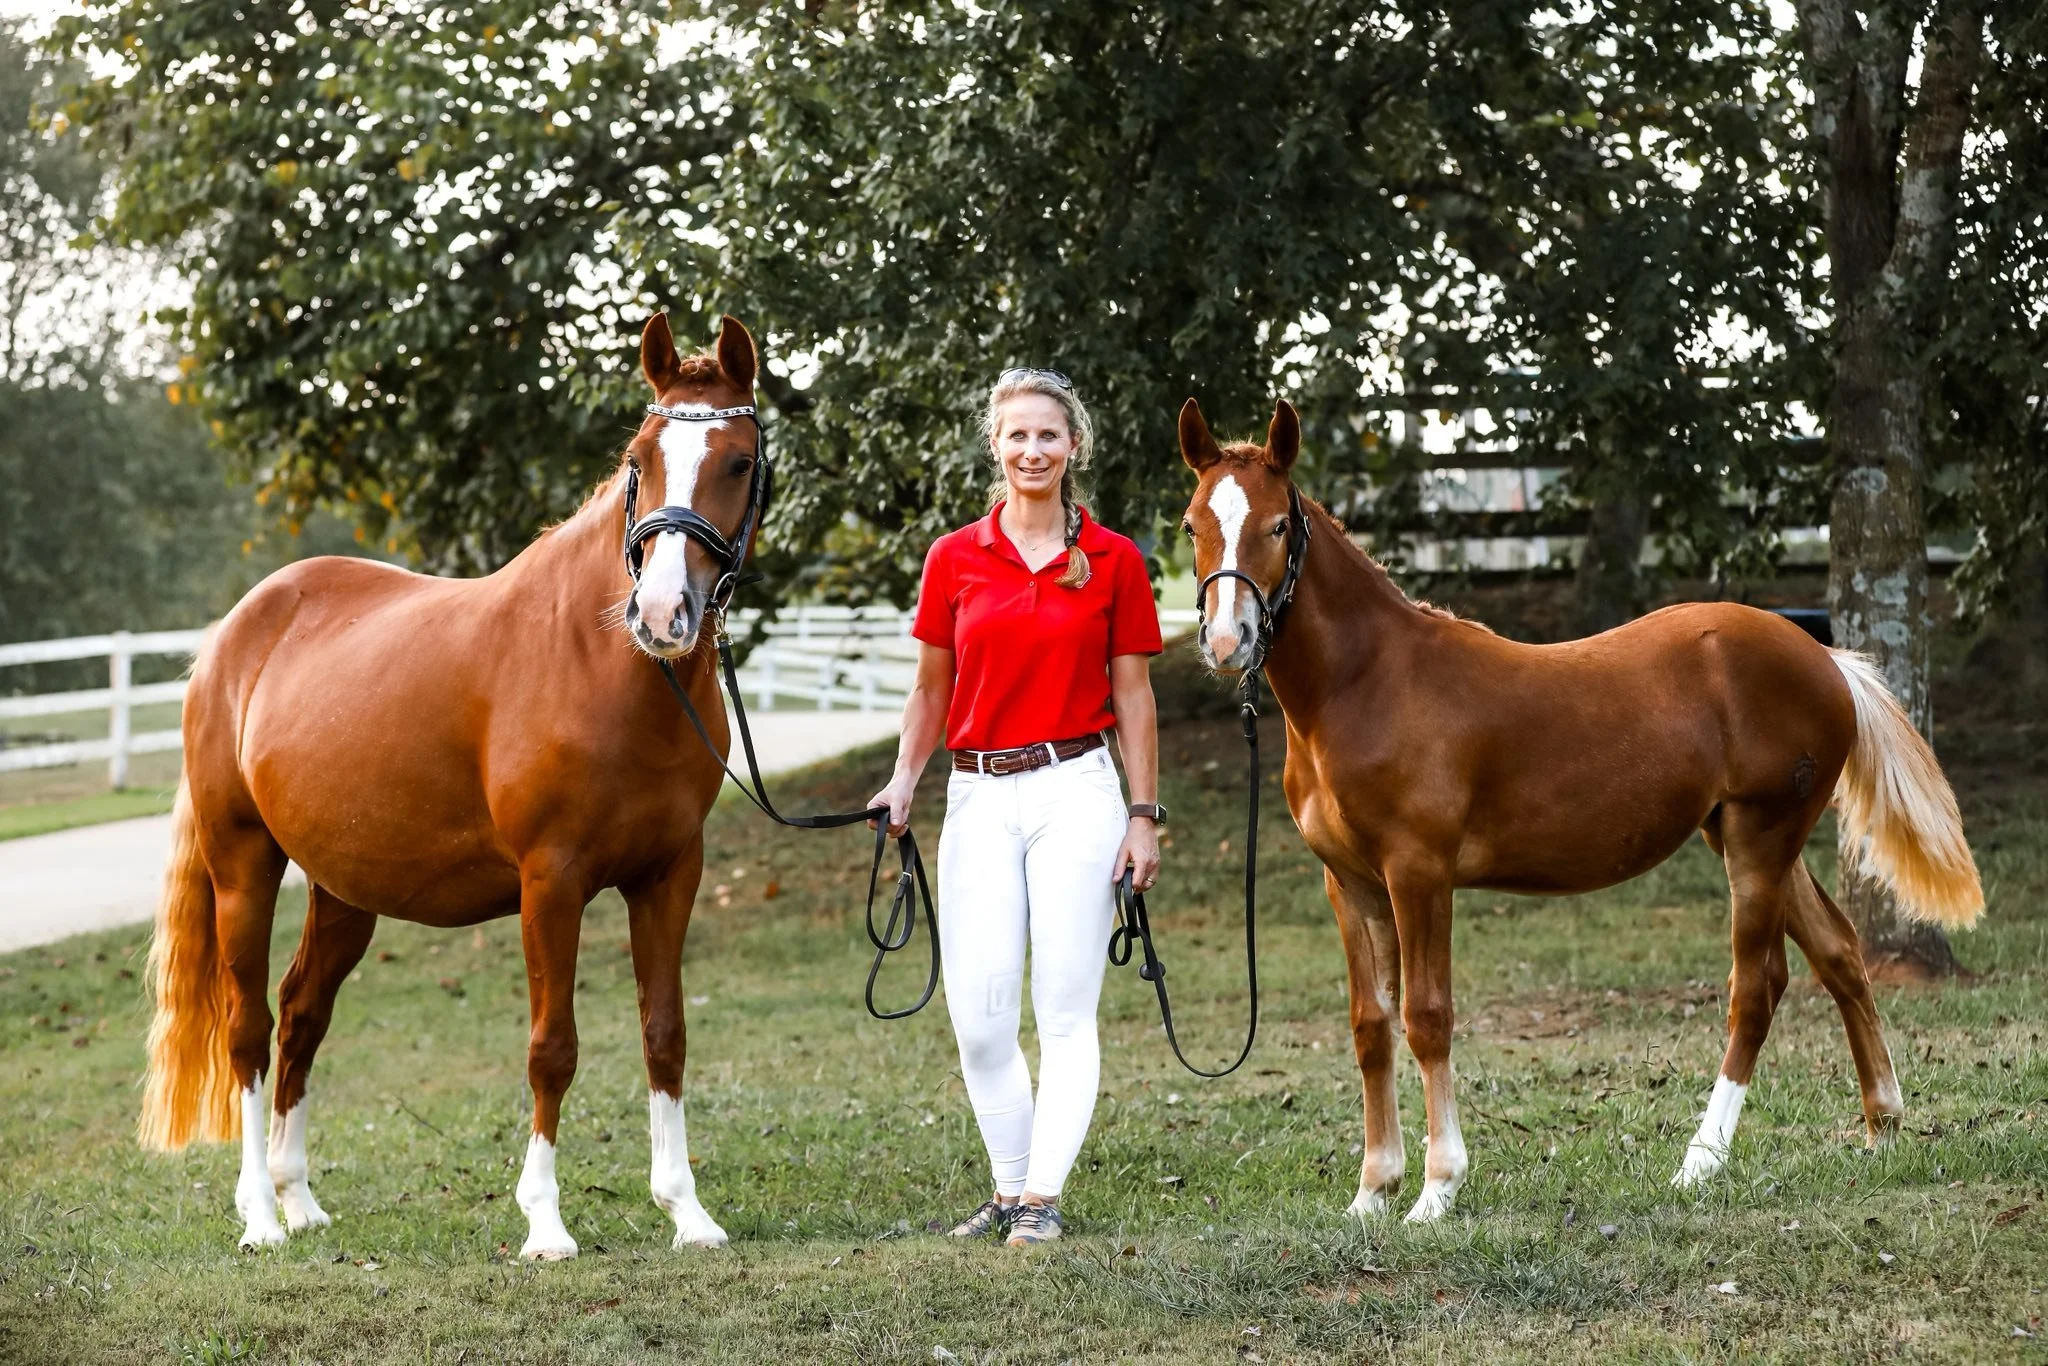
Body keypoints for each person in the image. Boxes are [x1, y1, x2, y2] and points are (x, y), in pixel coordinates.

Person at [868, 367, 1165, 1248]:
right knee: (983, 1018)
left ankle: (1039, 1198)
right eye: (1017, 435)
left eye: (1048, 435)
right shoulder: (954, 558)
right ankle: (1007, 1191)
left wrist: (1144, 813)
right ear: (994, 447)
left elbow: (1137, 697)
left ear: (1073, 447)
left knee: (1065, 1008)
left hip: (1077, 789)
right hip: (977, 794)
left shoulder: (1114, 560)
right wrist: (903, 776)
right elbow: (932, 689)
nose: (1032, 450)